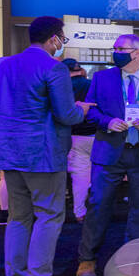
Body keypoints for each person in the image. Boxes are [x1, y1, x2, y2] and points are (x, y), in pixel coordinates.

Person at [0, 16, 90, 276]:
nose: (61, 44)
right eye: (62, 38)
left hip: (9, 152)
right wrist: (81, 108)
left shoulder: (4, 65)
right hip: (42, 154)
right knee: (49, 215)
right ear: (54, 38)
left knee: (18, 218)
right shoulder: (54, 68)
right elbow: (66, 115)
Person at [76, 34, 139, 276]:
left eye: (120, 48)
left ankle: (130, 259)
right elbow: (91, 112)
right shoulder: (101, 78)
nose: (115, 52)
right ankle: (87, 258)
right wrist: (108, 122)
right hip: (109, 153)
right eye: (115, 48)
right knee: (98, 205)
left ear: (137, 53)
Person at [63, 59, 93, 221]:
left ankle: (79, 211)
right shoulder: (91, 85)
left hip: (73, 137)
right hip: (97, 135)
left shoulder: (61, 88)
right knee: (101, 174)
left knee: (79, 176)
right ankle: (99, 208)